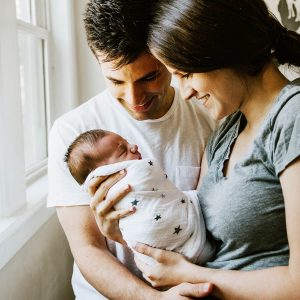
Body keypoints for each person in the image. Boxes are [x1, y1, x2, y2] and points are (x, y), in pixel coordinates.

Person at [110, 0, 300, 298]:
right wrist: (126, 233)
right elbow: (201, 237)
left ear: (226, 50)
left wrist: (189, 275)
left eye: (186, 75)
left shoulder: (292, 116)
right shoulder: (227, 130)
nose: (185, 93)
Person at [47, 0, 215, 299]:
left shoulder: (208, 118)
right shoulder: (73, 133)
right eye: (115, 80)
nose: (134, 97)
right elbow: (87, 248)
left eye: (149, 77)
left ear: (168, 55)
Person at [64, 129, 214, 265]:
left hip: (158, 261)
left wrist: (119, 236)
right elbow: (87, 249)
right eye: (123, 150)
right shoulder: (68, 127)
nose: (134, 146)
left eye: (127, 142)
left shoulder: (205, 123)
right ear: (106, 172)